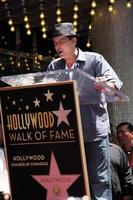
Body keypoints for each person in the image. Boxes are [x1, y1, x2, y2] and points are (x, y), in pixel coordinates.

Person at [47, 22, 123, 200]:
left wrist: (105, 85)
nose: (57, 46)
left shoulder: (94, 60)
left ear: (74, 41)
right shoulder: (53, 67)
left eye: (61, 41)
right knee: (72, 182)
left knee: (99, 181)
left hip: (93, 133)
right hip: (67, 135)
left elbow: (116, 84)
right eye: (54, 42)